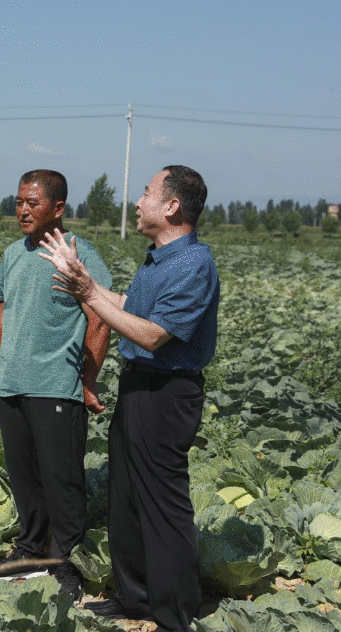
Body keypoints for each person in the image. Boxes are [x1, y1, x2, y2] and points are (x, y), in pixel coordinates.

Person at [41, 165, 219, 631]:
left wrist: (88, 295)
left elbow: (154, 334)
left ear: (172, 206)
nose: (138, 202)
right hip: (139, 385)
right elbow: (128, 307)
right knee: (127, 497)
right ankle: (134, 598)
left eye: (146, 193)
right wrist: (83, 281)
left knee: (162, 501)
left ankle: (174, 611)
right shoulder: (159, 258)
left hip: (168, 392)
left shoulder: (194, 265)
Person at [0, 170, 111, 602]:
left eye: (32, 203)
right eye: (18, 201)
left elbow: (100, 318)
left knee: (63, 479)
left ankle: (66, 560)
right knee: (24, 477)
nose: (22, 210)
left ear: (57, 209)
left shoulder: (81, 254)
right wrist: (1, 370)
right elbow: (3, 314)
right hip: (13, 383)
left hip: (57, 384)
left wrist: (87, 379)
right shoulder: (12, 254)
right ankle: (28, 549)